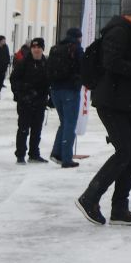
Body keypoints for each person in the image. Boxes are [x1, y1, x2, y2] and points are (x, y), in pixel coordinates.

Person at [73, 0, 131, 227]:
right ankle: (90, 197)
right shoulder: (119, 31)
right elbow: (111, 62)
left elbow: (126, 63)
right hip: (112, 102)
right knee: (125, 151)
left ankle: (120, 208)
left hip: (126, 102)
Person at [47, 27, 84, 167]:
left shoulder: (55, 48)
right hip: (70, 90)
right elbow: (83, 67)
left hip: (55, 90)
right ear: (78, 37)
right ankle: (66, 158)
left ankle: (57, 153)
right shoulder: (76, 49)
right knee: (70, 124)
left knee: (64, 122)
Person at [10, 37, 50, 163]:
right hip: (25, 102)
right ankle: (20, 154)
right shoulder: (23, 63)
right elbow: (14, 80)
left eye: (39, 47)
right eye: (34, 47)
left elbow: (49, 80)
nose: (36, 50)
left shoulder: (46, 63)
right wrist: (21, 93)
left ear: (42, 49)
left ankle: (34, 153)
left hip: (40, 101)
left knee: (37, 128)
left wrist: (48, 95)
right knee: (23, 128)